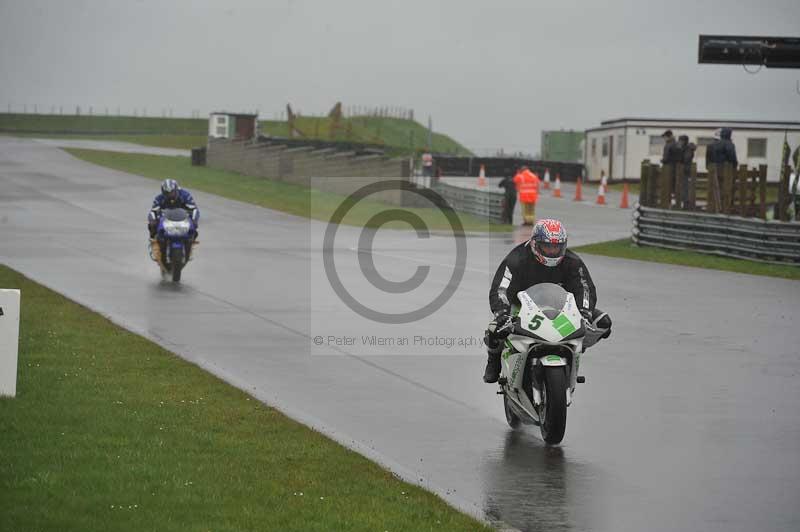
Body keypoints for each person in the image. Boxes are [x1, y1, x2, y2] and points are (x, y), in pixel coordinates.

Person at [482, 219, 612, 383]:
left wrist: (584, 313)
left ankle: (576, 349)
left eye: (557, 247)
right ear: (535, 244)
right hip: (520, 306)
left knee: (603, 323)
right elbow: (501, 287)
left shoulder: (572, 262)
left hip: (559, 307)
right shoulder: (517, 259)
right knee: (495, 328)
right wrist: (502, 311)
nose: (552, 251)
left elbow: (584, 288)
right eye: (547, 246)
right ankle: (493, 361)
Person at [148, 179, 200, 261]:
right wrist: (152, 220)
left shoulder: (185, 195)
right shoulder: (159, 198)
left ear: (176, 189)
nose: (170, 195)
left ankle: (190, 248)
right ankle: (154, 245)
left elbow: (194, 209)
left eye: (172, 192)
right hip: (166, 220)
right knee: (152, 226)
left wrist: (194, 220)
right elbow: (153, 211)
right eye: (167, 193)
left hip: (183, 220)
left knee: (194, 230)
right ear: (163, 192)